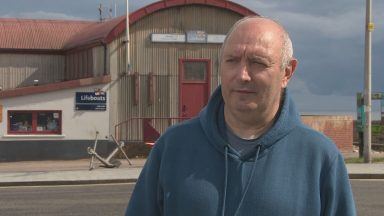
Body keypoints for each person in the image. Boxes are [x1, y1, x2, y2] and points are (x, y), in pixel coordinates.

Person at [126, 16, 356, 216]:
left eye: (258, 62)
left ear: (287, 72)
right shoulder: (172, 147)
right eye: (232, 61)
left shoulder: (320, 157)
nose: (242, 75)